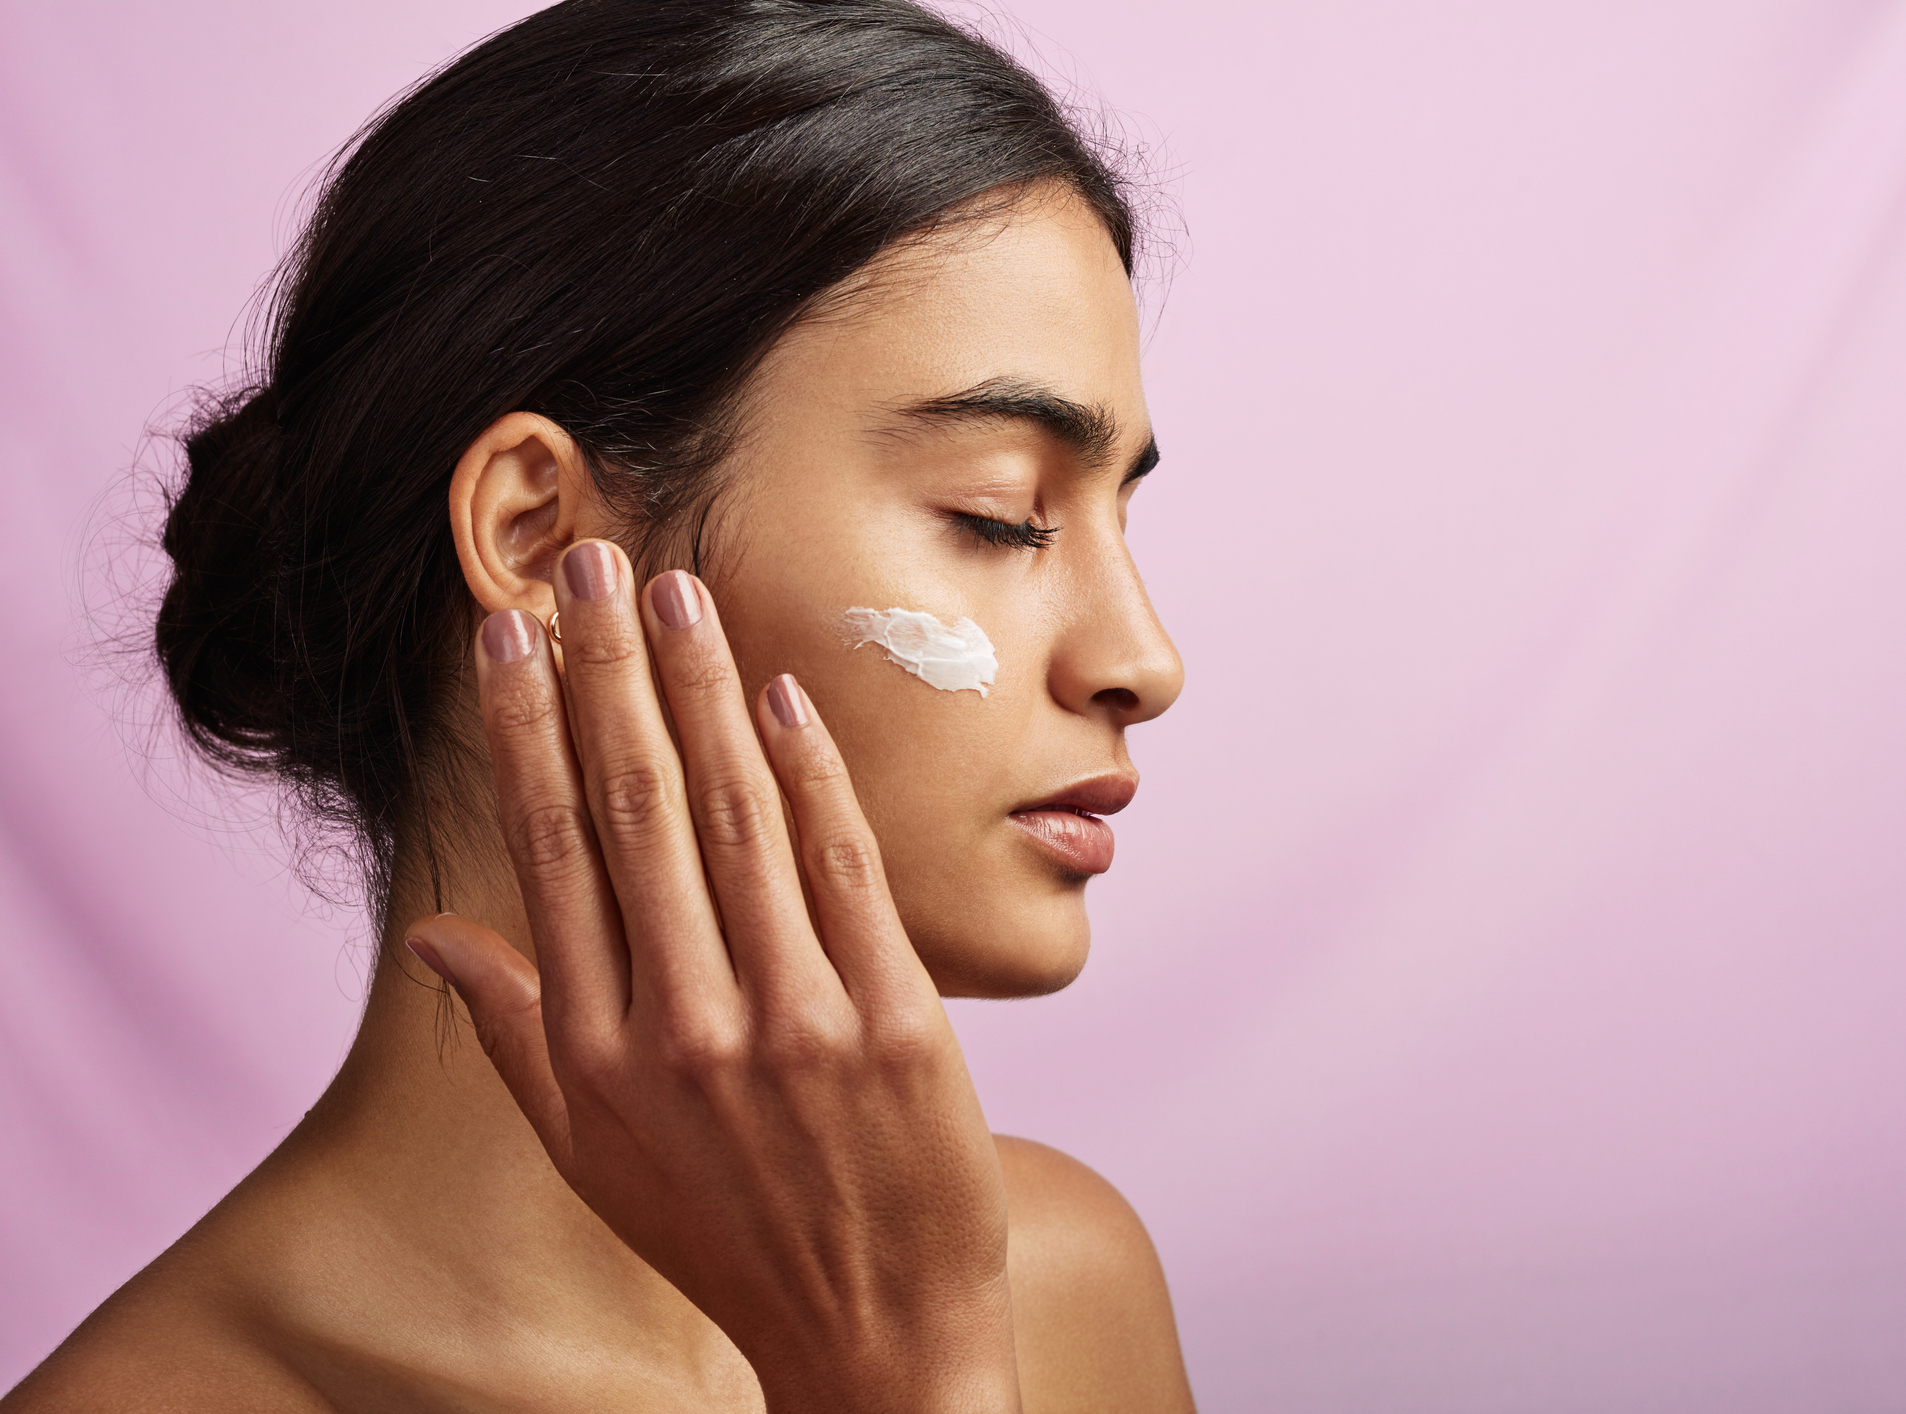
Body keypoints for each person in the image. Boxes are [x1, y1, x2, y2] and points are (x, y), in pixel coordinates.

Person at [2, 1, 1194, 1408]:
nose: (1144, 658)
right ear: (537, 539)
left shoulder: (1051, 1281)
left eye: (1116, 512)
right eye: (999, 514)